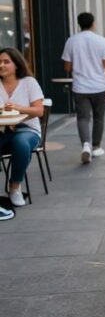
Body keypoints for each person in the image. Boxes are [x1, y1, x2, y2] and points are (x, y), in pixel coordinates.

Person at [62, 12, 105, 164]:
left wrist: (78, 63)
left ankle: (85, 144)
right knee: (99, 117)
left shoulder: (71, 41)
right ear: (93, 23)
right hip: (99, 86)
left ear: (79, 24)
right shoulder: (101, 41)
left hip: (80, 87)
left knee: (83, 118)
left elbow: (67, 66)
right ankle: (96, 146)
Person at [0, 48, 44, 214]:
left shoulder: (28, 82)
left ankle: (15, 186)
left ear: (16, 64)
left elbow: (39, 111)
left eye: (6, 62)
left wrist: (18, 108)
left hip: (27, 129)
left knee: (21, 143)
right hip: (2, 130)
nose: (2, 65)